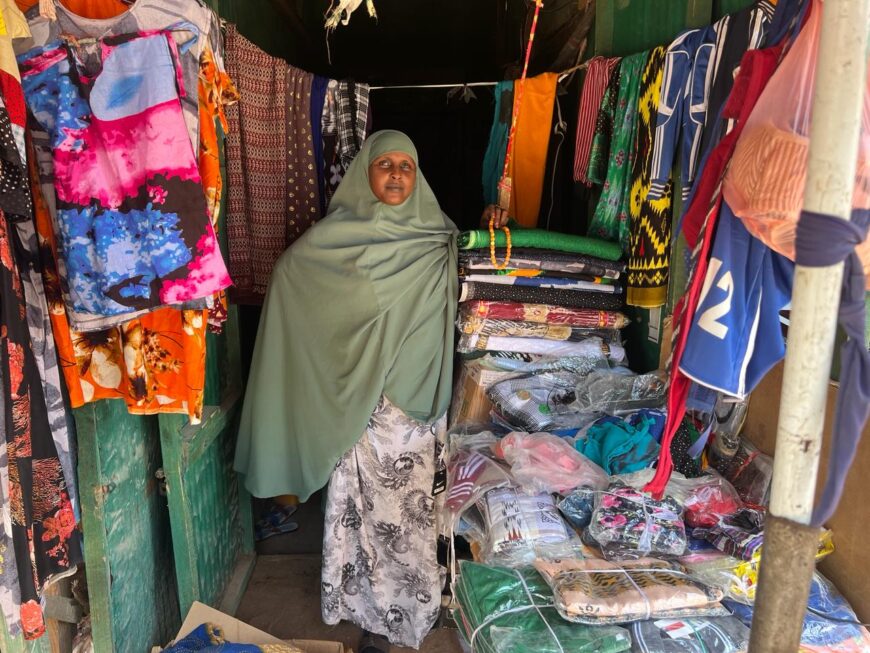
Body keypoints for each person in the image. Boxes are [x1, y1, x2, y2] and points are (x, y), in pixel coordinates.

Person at [234, 130, 458, 650]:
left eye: (407, 164)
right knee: (359, 513)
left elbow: (483, 274)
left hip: (416, 407)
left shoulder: (442, 237)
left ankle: (412, 610)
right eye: (385, 164)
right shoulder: (335, 240)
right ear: (365, 173)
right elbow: (294, 278)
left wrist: (498, 223)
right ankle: (367, 615)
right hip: (358, 407)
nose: (397, 174)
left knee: (412, 514)